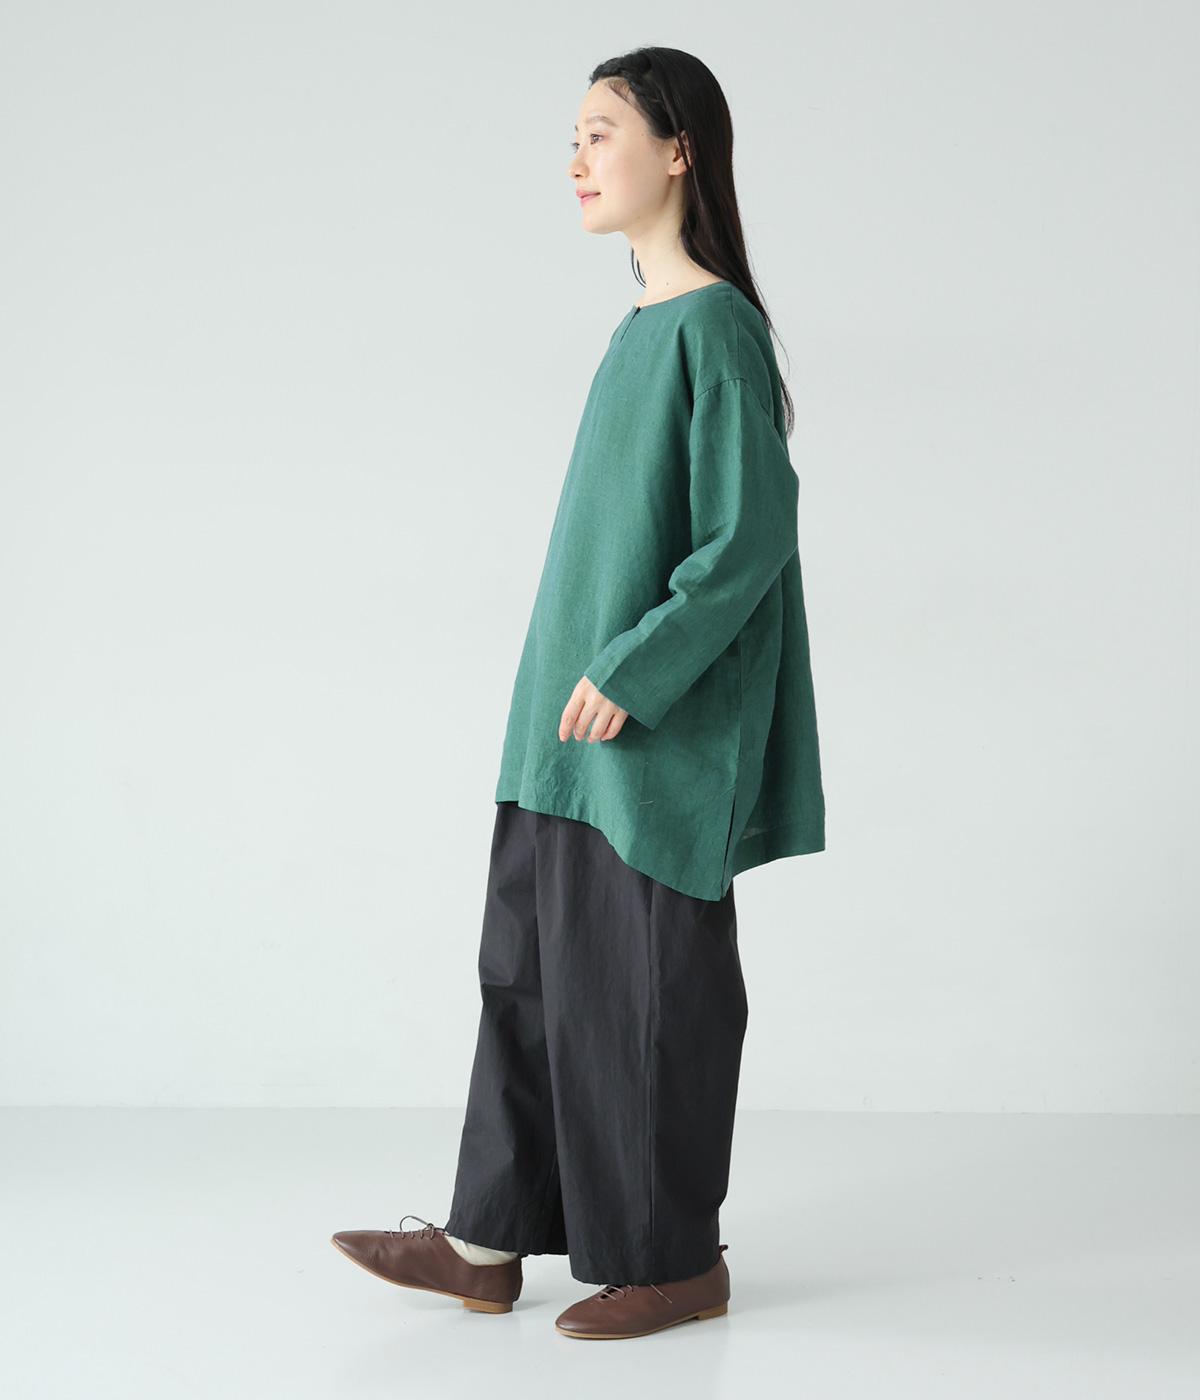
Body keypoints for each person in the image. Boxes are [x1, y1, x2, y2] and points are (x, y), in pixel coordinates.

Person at [331, 45, 825, 1342]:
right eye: (574, 136)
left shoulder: (715, 328)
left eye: (601, 132)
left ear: (680, 151)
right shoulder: (643, 328)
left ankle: (675, 1262)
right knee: (531, 981)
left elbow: (749, 536)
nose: (576, 160)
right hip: (562, 734)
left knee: (648, 996)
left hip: (649, 735)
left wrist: (635, 668)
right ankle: (486, 1241)